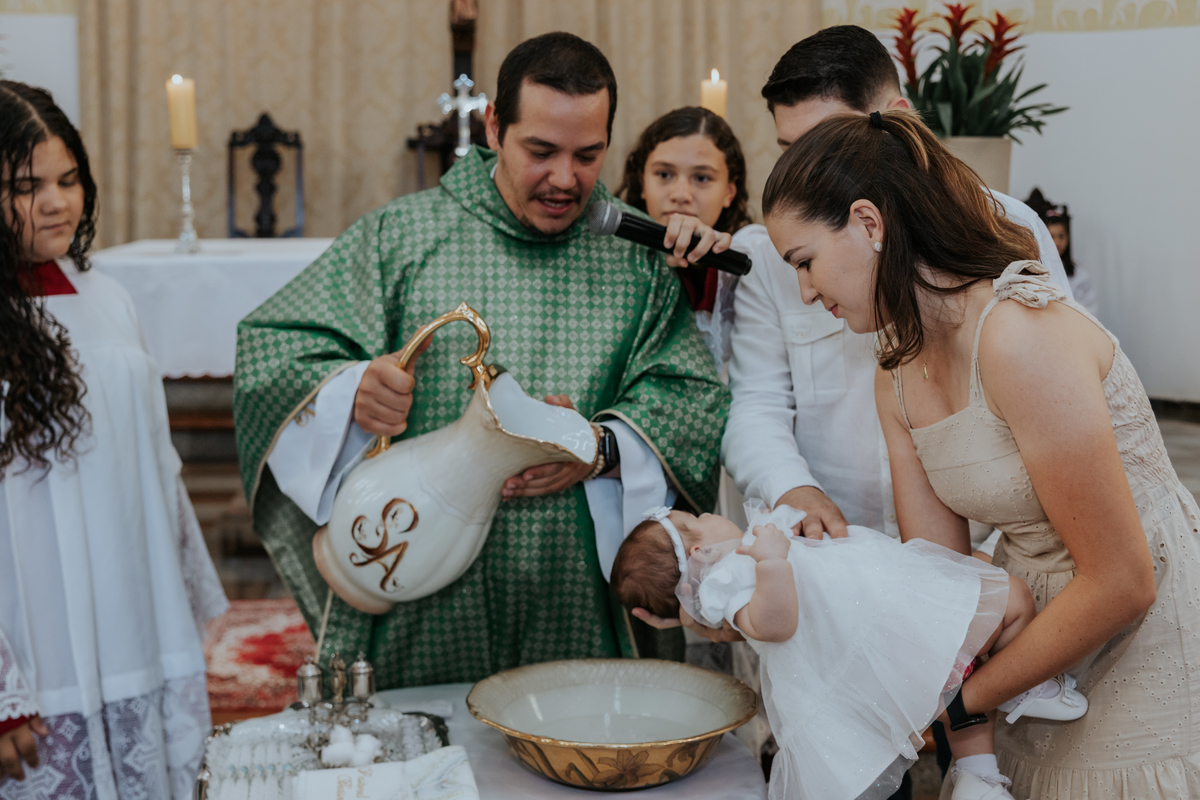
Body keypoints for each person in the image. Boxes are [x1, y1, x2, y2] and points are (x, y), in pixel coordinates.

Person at [233, 33, 729, 689]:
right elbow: (270, 347)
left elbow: (691, 398)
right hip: (424, 580)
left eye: (588, 155)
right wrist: (350, 389)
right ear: (494, 126)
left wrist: (602, 447)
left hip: (576, 586)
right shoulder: (401, 238)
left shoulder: (636, 260)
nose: (565, 179)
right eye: (541, 152)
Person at [761, 106, 1200, 799]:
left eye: (805, 262)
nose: (805, 291)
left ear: (869, 224)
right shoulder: (894, 371)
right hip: (1035, 643)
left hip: (1135, 624)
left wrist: (958, 706)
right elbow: (936, 578)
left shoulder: (1019, 335)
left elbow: (1123, 580)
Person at [0, 81, 227, 798]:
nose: (58, 202)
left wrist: (180, 600)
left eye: (68, 180)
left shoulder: (107, 294)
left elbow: (153, 466)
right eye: (28, 186)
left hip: (133, 617)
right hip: (38, 633)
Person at [612, 506, 1087, 800]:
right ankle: (1029, 688)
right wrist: (773, 559)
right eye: (696, 521)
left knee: (954, 685)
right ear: (699, 551)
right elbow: (776, 625)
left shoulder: (731, 571)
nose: (709, 516)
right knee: (1008, 600)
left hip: (876, 626)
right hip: (881, 629)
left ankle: (977, 777)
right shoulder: (730, 578)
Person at [616, 106, 752, 367]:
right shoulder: (613, 255)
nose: (680, 194)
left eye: (702, 178)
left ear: (729, 192)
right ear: (642, 182)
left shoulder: (747, 255)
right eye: (664, 174)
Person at [1025, 188, 1099, 316]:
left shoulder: (1078, 274)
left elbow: (1088, 311)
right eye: (1052, 237)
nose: (1058, 242)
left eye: (1061, 236)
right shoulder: (1031, 268)